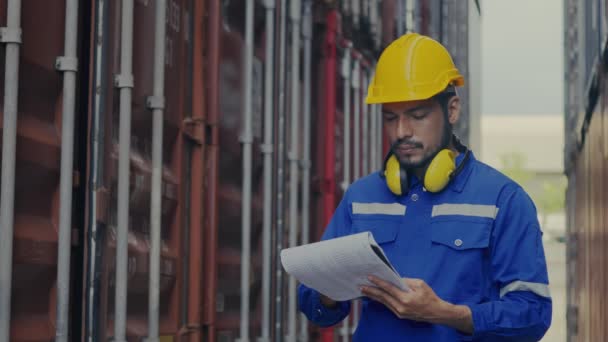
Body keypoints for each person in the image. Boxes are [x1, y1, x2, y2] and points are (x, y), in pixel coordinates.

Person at [298, 33, 552, 341]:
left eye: (417, 116)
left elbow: (533, 314)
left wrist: (445, 313)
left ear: (452, 110)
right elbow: (315, 307)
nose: (402, 131)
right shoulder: (361, 198)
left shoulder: (503, 200)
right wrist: (327, 292)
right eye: (391, 118)